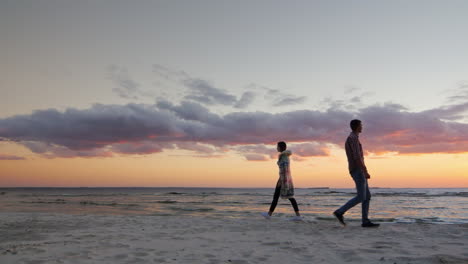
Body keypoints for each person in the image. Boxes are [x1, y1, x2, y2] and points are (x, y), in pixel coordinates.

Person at [333, 119, 380, 228]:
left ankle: (365, 221)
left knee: (367, 196)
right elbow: (357, 157)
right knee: (361, 196)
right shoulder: (352, 138)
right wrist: (365, 171)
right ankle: (340, 212)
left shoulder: (354, 138)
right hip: (357, 169)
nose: (362, 127)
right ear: (357, 126)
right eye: (361, 125)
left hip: (358, 169)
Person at [261, 141, 302, 221]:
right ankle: (269, 214)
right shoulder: (284, 156)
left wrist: (281, 180)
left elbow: (284, 170)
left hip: (284, 179)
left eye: (277, 146)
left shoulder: (284, 157)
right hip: (284, 178)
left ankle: (297, 216)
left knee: (288, 197)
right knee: (281, 197)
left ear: (280, 147)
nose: (276, 148)